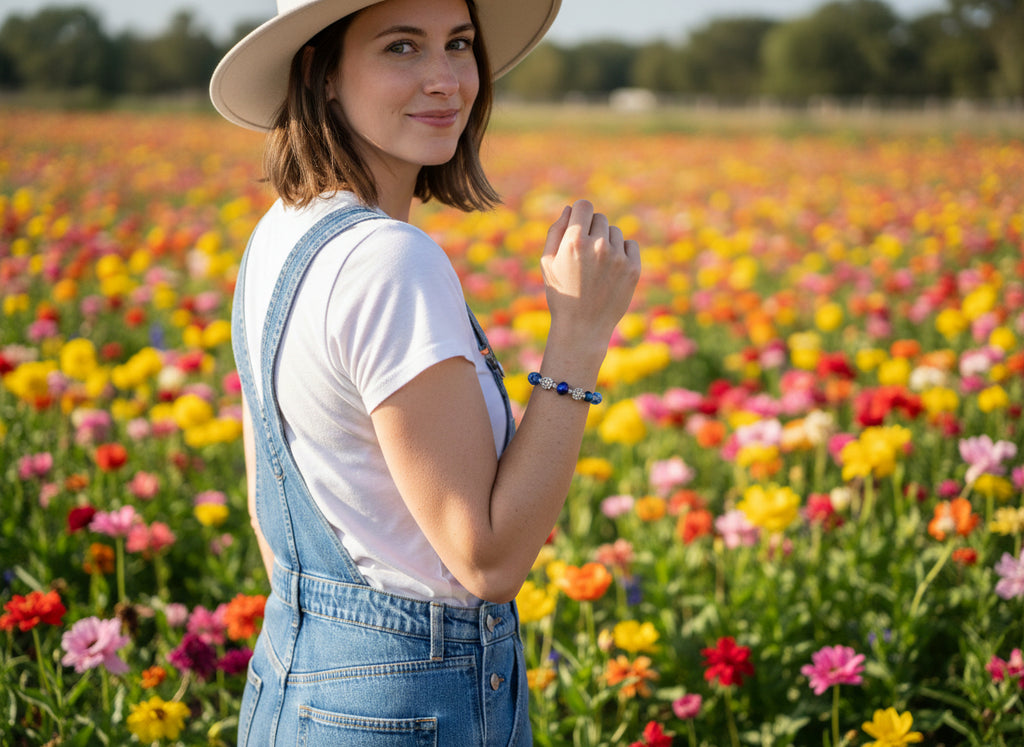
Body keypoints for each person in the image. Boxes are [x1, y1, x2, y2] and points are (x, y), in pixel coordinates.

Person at [210, 0, 640, 743]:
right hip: (410, 704)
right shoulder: (389, 260)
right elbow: (488, 560)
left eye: (459, 44)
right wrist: (578, 335)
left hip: (295, 679)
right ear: (323, 73)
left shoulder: (281, 229)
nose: (447, 79)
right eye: (402, 47)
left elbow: (265, 506)